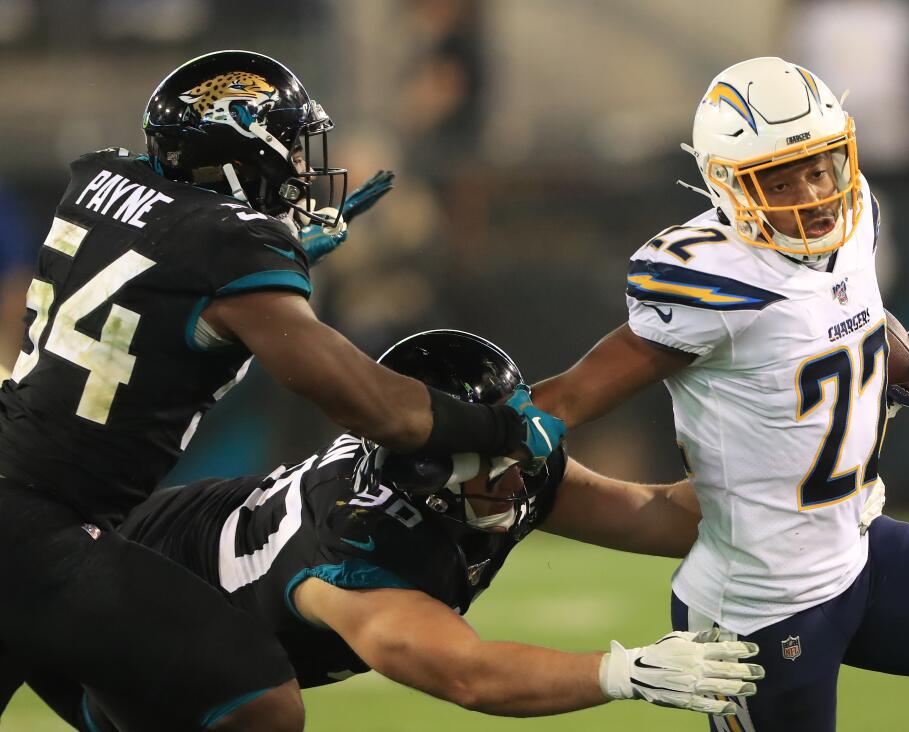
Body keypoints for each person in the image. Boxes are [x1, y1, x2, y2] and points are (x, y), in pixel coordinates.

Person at [532, 57, 909, 731]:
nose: (809, 193)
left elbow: (829, 308)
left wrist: (874, 343)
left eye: (816, 168)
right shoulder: (714, 279)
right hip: (761, 603)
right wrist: (484, 434)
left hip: (860, 546)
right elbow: (572, 394)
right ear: (726, 185)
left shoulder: (856, 209)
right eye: (777, 181)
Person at [0, 50, 563, 731]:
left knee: (147, 696)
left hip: (25, 488)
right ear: (244, 147)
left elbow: (159, 265)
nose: (301, 167)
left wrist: (272, 259)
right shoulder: (230, 247)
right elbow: (368, 402)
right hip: (40, 522)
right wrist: (501, 428)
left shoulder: (104, 179)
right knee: (256, 699)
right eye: (292, 146)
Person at [22, 329, 762, 730]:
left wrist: (801, 492)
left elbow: (660, 516)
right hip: (106, 602)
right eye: (486, 458)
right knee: (262, 712)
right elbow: (468, 675)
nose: (514, 475)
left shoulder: (502, 467)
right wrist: (623, 673)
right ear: (423, 475)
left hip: (163, 545)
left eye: (513, 445)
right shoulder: (358, 555)